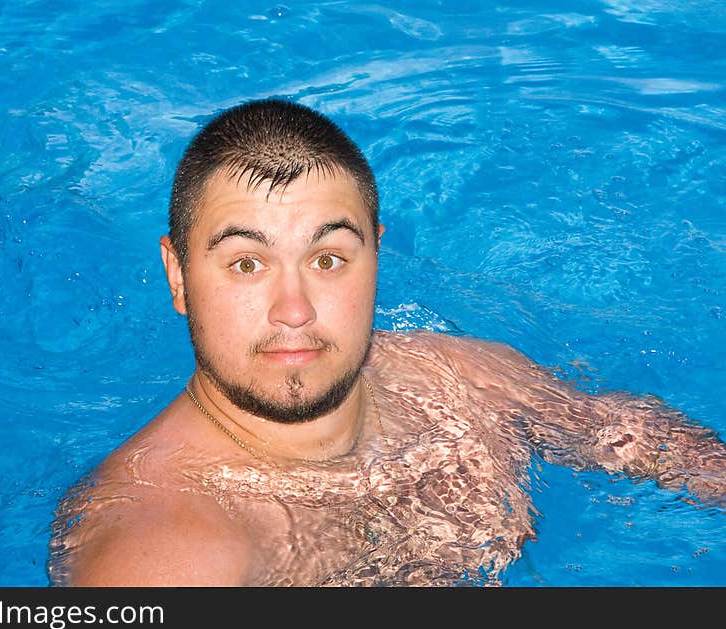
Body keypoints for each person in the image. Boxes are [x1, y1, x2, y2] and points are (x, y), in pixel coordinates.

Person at [47, 98, 726, 587]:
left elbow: (644, 443)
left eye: (329, 258)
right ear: (178, 275)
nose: (293, 310)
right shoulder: (166, 544)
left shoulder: (463, 380)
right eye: (246, 264)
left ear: (378, 253)